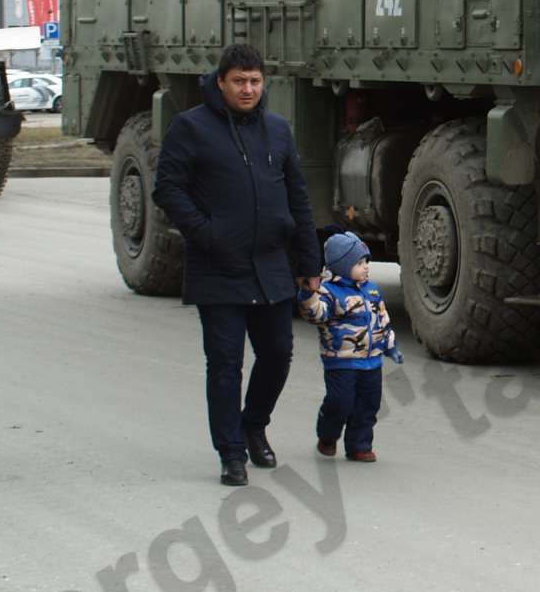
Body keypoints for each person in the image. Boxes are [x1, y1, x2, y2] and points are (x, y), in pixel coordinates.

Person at [154, 43, 321, 486]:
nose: (247, 89)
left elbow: (298, 198)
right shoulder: (191, 127)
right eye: (238, 81)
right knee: (225, 363)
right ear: (221, 82)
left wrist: (310, 261)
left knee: (278, 355)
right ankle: (230, 453)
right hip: (218, 266)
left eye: (255, 81)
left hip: (270, 265)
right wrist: (207, 233)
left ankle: (254, 424)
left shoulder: (278, 130)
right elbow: (168, 189)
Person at [299, 232, 403, 463]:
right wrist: (308, 295)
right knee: (340, 402)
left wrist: (390, 346)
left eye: (366, 261)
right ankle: (328, 435)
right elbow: (316, 314)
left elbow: (382, 320)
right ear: (342, 266)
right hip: (341, 360)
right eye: (359, 263)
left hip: (372, 361)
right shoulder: (329, 293)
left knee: (368, 405)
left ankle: (359, 445)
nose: (366, 267)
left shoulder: (372, 290)